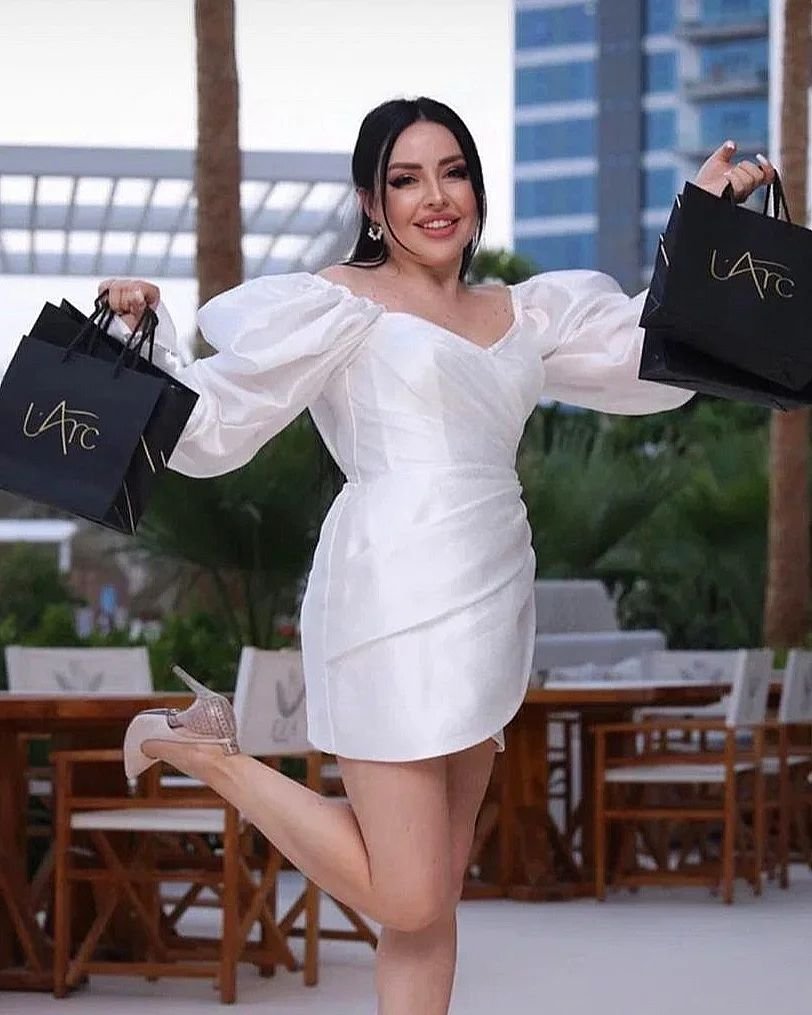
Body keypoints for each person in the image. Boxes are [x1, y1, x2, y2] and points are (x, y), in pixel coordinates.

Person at [101, 97, 775, 1015]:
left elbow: (648, 348)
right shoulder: (338, 303)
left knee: (430, 903)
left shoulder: (523, 310)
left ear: (476, 188)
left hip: (491, 588)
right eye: (406, 179)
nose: (435, 196)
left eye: (452, 172)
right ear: (371, 203)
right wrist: (135, 337)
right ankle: (204, 750)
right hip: (386, 593)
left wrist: (705, 220)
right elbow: (219, 419)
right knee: (410, 893)